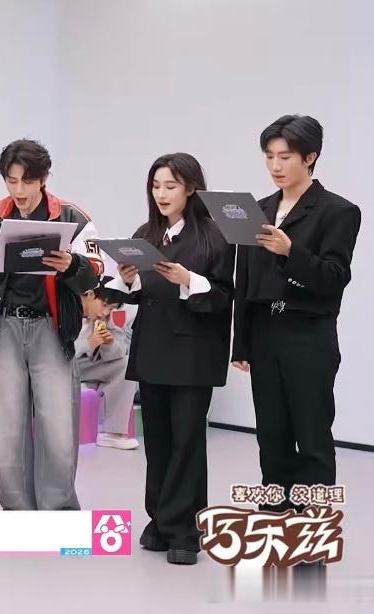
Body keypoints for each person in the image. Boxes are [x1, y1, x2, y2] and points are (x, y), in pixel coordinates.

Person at [231, 115, 361, 513]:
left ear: (310, 157)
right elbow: (244, 278)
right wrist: (242, 342)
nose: (275, 166)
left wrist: (291, 252)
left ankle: (315, 525)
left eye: (284, 157)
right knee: (271, 435)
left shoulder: (338, 211)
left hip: (309, 336)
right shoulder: (258, 209)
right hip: (264, 334)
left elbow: (335, 278)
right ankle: (274, 515)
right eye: (269, 156)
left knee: (313, 435)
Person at [0, 139, 102, 511]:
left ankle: (57, 511)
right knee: (7, 429)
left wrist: (71, 266)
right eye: (11, 181)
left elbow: (96, 272)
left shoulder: (71, 216)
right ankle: (17, 511)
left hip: (51, 329)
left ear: (43, 179)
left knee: (57, 428)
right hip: (5, 328)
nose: (19, 190)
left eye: (27, 181)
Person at [110, 153, 234, 566]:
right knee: (159, 442)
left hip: (193, 355)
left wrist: (188, 280)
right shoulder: (145, 234)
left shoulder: (214, 237)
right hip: (153, 349)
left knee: (187, 442)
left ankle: (186, 529)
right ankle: (161, 520)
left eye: (170, 186)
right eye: (155, 186)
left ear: (191, 189)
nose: (161, 194)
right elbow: (134, 294)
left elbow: (223, 297)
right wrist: (126, 279)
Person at [73, 277, 138, 450]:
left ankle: (111, 432)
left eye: (110, 309)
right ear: (90, 295)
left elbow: (121, 349)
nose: (105, 312)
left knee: (125, 365)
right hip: (61, 367)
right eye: (104, 305)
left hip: (86, 368)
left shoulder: (104, 319)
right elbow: (56, 350)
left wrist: (109, 344)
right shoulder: (67, 309)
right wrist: (89, 344)